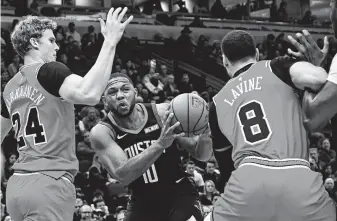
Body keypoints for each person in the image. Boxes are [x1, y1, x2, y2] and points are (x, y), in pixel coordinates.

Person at [0, 8, 133, 221]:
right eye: (51, 40)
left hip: (17, 187)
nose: (57, 46)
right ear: (34, 43)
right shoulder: (49, 71)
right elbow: (89, 93)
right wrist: (110, 42)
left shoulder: (10, 88)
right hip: (49, 183)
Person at [207, 30, 335, 221]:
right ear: (257, 54)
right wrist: (314, 64)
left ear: (224, 60)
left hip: (248, 179)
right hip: (297, 177)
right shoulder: (276, 66)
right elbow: (317, 80)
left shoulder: (216, 104)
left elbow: (226, 169)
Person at [90, 73, 213, 221]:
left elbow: (202, 155)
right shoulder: (102, 132)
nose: (120, 95)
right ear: (104, 101)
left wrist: (206, 133)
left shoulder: (162, 113)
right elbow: (123, 175)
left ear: (135, 93)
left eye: (125, 89)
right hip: (142, 200)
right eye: (112, 92)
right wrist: (160, 145)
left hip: (179, 193)